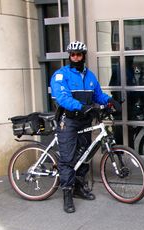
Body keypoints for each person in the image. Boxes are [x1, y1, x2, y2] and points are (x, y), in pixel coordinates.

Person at [50, 40, 121, 213]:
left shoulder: (90, 76)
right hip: (68, 122)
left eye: (79, 54)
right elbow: (62, 97)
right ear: (69, 56)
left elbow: (97, 95)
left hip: (85, 121)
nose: (75, 57)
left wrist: (110, 100)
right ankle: (67, 195)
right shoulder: (61, 75)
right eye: (73, 55)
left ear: (83, 56)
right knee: (68, 158)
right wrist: (82, 107)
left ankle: (78, 188)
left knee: (84, 155)